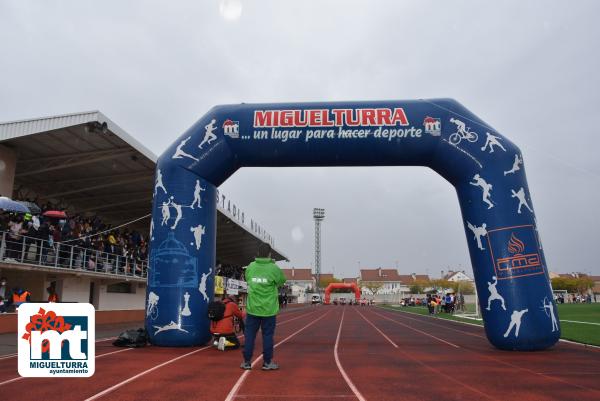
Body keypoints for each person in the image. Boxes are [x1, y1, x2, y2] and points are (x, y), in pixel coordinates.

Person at [240, 243, 286, 371]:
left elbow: (248, 278)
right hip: (269, 310)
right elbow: (282, 281)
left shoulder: (251, 267)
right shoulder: (274, 268)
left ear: (258, 253)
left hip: (253, 308)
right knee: (267, 336)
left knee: (249, 336)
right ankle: (267, 362)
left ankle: (247, 362)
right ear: (270, 254)